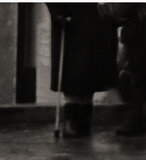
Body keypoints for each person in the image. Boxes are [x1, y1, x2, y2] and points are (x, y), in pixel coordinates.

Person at [46, 4, 118, 138]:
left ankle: (81, 118)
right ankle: (73, 118)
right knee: (75, 68)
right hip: (72, 16)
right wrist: (57, 10)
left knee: (91, 69)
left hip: (95, 15)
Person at [99, 3, 146, 136]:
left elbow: (122, 8)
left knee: (132, 73)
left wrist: (105, 9)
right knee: (138, 72)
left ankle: (136, 119)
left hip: (137, 29)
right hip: (142, 28)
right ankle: (139, 116)